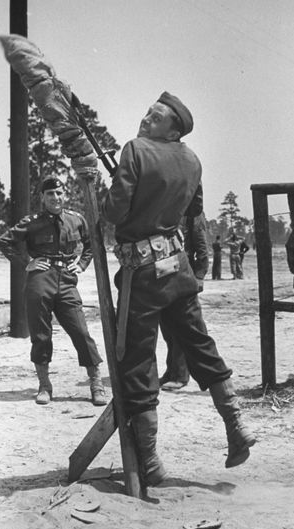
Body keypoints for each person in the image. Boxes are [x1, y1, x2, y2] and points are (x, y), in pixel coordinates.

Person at [102, 91, 256, 487]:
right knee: (199, 345)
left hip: (143, 274)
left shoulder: (134, 151)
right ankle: (236, 426)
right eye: (146, 114)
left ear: (173, 130)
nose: (144, 120)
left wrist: (121, 195)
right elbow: (193, 212)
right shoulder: (193, 160)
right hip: (179, 271)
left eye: (155, 118)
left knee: (136, 360)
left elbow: (114, 212)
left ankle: (150, 463)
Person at [0, 176, 106, 406]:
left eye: (59, 193)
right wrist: (27, 261)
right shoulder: (32, 222)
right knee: (41, 335)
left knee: (81, 332)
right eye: (50, 194)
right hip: (40, 281)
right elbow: (4, 241)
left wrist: (83, 264)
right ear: (42, 198)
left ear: (64, 194)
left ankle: (96, 383)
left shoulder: (76, 220)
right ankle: (44, 385)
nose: (55, 198)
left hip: (66, 280)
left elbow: (92, 243)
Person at [159, 212, 209, 391]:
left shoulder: (191, 213)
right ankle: (171, 370)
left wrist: (200, 275)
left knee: (183, 325)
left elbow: (201, 246)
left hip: (183, 272)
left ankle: (181, 375)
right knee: (167, 327)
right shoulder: (164, 205)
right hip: (163, 272)